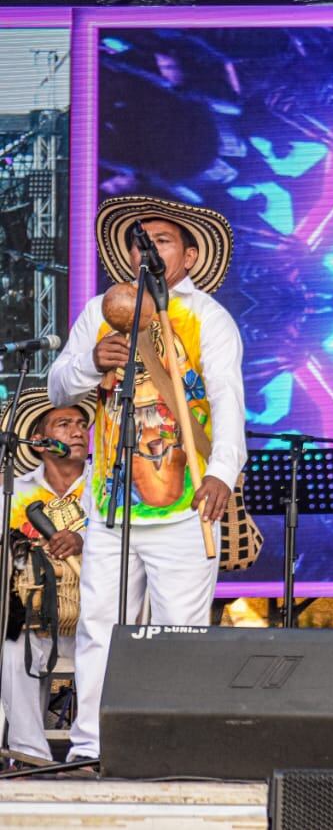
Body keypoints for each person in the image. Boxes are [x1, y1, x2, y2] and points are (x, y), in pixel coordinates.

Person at [48, 196, 246, 762]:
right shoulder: (101, 310)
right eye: (141, 240)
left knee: (179, 635)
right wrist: (91, 360)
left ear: (187, 256)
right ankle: (90, 747)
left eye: (162, 240)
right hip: (111, 509)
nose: (148, 249)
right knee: (99, 629)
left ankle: (174, 749)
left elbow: (230, 402)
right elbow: (60, 386)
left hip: (184, 508)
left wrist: (222, 474)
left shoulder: (206, 316)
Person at [1, 388, 93, 765]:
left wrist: (82, 539)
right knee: (8, 647)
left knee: (108, 647)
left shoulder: (107, 489)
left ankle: (91, 752)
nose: (78, 431)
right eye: (65, 423)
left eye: (83, 424)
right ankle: (29, 755)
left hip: (93, 613)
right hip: (35, 615)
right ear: (39, 442)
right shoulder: (14, 491)